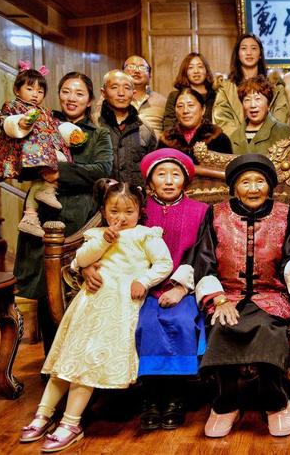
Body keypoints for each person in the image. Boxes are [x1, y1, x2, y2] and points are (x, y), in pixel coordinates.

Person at [19, 182, 173, 453]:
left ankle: (71, 422)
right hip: (89, 304)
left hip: (120, 304)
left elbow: (164, 263)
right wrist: (103, 242)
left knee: (87, 361)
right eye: (114, 211)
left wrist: (144, 280)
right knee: (68, 359)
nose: (121, 217)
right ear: (103, 210)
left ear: (140, 211)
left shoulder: (146, 235)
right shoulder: (97, 235)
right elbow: (80, 260)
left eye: (129, 211)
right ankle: (44, 413)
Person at [191, 154, 290, 438]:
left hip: (271, 295)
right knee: (222, 327)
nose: (253, 188)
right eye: (245, 182)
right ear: (234, 188)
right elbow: (204, 261)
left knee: (267, 329)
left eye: (260, 181)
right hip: (227, 295)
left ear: (269, 186)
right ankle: (226, 403)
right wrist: (219, 299)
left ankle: (276, 401)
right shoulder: (216, 214)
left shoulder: (285, 214)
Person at [13, 71, 113, 353]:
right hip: (44, 218)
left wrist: (59, 172)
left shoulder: (99, 135)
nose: (72, 98)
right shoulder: (42, 123)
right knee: (47, 294)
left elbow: (101, 170)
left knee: (81, 290)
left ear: (89, 100)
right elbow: (21, 163)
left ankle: (80, 361)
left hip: (81, 219)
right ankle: (50, 363)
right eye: (66, 91)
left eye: (79, 93)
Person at [132, 149, 210, 431]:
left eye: (175, 175)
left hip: (182, 286)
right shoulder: (138, 210)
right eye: (161, 174)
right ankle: (151, 398)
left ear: (185, 181)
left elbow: (203, 254)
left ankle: (176, 398)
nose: (168, 181)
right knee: (145, 324)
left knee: (181, 321)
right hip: (142, 286)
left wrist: (180, 288)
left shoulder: (201, 211)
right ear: (150, 181)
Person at [0, 64, 73, 237]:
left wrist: (71, 132)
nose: (35, 94)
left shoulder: (45, 111)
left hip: (44, 151)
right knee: (49, 169)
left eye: (40, 91)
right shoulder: (13, 105)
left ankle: (30, 216)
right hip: (27, 151)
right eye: (30, 89)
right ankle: (48, 190)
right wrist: (19, 122)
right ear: (17, 90)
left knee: (48, 173)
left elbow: (56, 125)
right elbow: (4, 120)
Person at [213, 33, 290, 136]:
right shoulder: (226, 87)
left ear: (260, 54)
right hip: (235, 143)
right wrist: (242, 140)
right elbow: (222, 119)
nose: (249, 53)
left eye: (253, 48)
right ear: (238, 54)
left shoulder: (275, 85)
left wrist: (262, 139)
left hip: (270, 142)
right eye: (244, 48)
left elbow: (282, 115)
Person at [98, 69, 157, 187]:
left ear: (133, 93)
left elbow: (153, 169)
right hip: (102, 196)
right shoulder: (94, 125)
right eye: (114, 87)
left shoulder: (145, 129)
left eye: (127, 88)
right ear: (103, 92)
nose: (121, 93)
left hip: (136, 196)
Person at [161, 88, 231, 161]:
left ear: (203, 109)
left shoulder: (218, 138)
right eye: (180, 106)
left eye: (190, 105)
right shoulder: (167, 139)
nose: (185, 111)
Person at [229, 76, 290, 155]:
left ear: (268, 104)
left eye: (257, 99)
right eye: (247, 100)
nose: (252, 105)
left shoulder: (284, 132)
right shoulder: (234, 137)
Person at [163, 52, 216, 130]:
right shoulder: (175, 96)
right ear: (185, 72)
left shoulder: (216, 95)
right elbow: (169, 124)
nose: (196, 71)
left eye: (200, 67)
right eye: (190, 67)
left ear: (206, 70)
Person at [122, 55, 167, 137]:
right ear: (122, 73)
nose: (136, 71)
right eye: (131, 66)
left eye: (142, 67)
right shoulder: (112, 100)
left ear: (150, 75)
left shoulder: (163, 102)